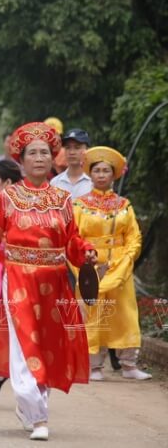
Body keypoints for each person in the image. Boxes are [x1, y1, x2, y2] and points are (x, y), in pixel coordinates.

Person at [0, 122, 96, 441]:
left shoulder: (62, 198)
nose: (39, 158)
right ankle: (39, 416)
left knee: (50, 347)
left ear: (51, 157)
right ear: (22, 160)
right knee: (24, 344)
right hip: (17, 279)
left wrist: (87, 254)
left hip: (56, 283)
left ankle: (33, 405)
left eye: (44, 152)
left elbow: (72, 240)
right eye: (33, 153)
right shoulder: (8, 197)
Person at [73, 146, 150, 381]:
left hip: (119, 265)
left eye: (106, 171)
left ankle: (129, 364)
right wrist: (85, 259)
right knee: (94, 312)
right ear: (91, 174)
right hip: (92, 264)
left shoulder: (124, 205)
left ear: (114, 174)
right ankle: (94, 365)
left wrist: (125, 259)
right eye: (97, 170)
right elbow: (73, 235)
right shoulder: (80, 204)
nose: (101, 175)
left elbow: (134, 236)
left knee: (124, 312)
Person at [50, 128, 92, 199]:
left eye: (77, 147)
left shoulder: (94, 182)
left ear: (87, 150)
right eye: (68, 148)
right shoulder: (55, 183)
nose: (72, 152)